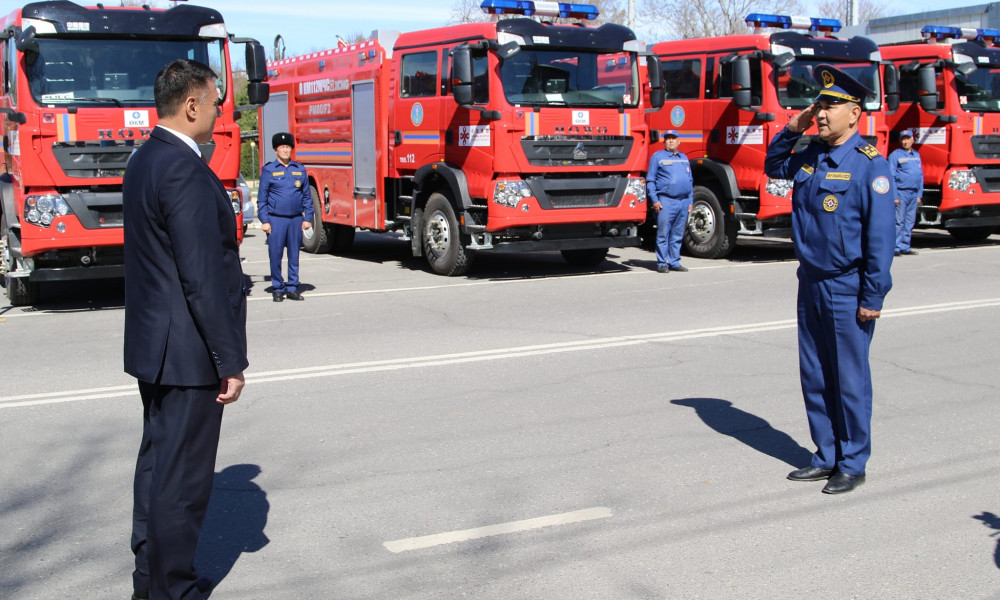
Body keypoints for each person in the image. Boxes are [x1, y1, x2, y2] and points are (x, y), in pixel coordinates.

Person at [123, 59, 248, 599]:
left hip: (156, 346)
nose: (221, 112)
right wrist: (230, 360)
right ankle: (170, 590)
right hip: (188, 352)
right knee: (183, 484)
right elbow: (203, 275)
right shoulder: (182, 167)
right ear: (191, 104)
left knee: (157, 471)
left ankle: (150, 581)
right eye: (216, 101)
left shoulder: (144, 158)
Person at [763, 65, 895, 495]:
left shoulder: (870, 167)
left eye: (830, 106)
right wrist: (792, 126)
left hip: (847, 284)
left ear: (854, 113)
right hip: (811, 281)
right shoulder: (812, 156)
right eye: (818, 105)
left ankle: (853, 461)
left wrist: (872, 294)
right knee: (815, 373)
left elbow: (881, 239)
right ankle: (826, 454)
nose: (820, 113)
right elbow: (773, 165)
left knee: (849, 379)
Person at [258, 132, 313, 302]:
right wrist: (265, 221)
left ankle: (292, 287)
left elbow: (306, 196)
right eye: (282, 147)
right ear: (276, 150)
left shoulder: (299, 170)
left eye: (288, 147)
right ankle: (277, 287)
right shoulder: (269, 170)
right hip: (276, 219)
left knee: (294, 255)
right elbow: (262, 198)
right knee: (275, 254)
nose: (285, 150)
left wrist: (307, 218)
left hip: (295, 219)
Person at [646, 130, 694, 273]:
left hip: (683, 202)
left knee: (677, 234)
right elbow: (650, 180)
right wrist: (654, 200)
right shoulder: (658, 157)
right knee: (663, 234)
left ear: (679, 141)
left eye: (673, 138)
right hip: (666, 201)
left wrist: (690, 201)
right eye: (668, 139)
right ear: (664, 142)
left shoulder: (684, 158)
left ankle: (674, 262)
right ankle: (662, 263)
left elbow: (690, 181)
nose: (671, 141)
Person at [888, 129, 923, 256]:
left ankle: (905, 246)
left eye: (908, 138)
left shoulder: (916, 155)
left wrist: (919, 194)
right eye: (903, 139)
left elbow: (920, 175)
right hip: (901, 193)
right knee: (899, 221)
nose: (906, 141)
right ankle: (895, 247)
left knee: (909, 221)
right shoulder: (895, 155)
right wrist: (894, 195)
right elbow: (891, 176)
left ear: (913, 140)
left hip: (913, 194)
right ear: (900, 141)